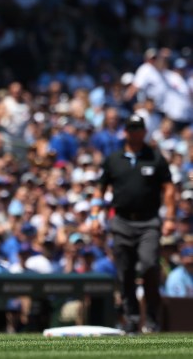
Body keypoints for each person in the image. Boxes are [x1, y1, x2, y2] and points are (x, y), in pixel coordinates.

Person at [91, 114, 176, 333]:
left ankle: (152, 318)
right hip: (121, 221)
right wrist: (94, 216)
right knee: (125, 271)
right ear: (125, 132)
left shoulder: (155, 158)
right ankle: (131, 318)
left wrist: (170, 218)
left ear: (144, 132)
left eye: (138, 128)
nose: (134, 132)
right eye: (131, 128)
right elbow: (100, 188)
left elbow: (168, 188)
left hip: (148, 221)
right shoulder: (114, 159)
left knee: (149, 265)